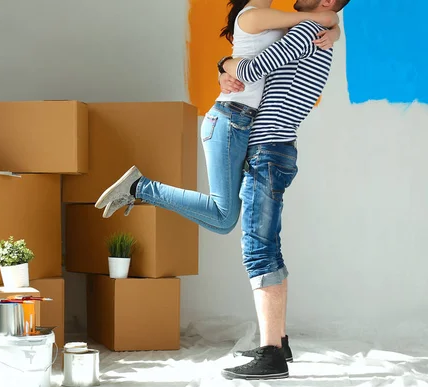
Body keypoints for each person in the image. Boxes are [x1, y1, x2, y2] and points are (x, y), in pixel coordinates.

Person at [94, 0, 339, 236]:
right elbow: (316, 19)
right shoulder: (255, 15)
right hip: (230, 118)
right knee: (224, 217)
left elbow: (321, 18)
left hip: (240, 120)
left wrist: (334, 29)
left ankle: (139, 187)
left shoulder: (278, 21)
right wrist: (224, 64)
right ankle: (140, 187)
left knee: (224, 222)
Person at [216, 0, 352, 380]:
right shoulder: (319, 27)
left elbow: (254, 68)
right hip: (276, 148)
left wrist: (224, 66)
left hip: (269, 150)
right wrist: (332, 23)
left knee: (258, 251)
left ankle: (272, 355)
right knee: (267, 246)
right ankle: (280, 341)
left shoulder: (310, 29)